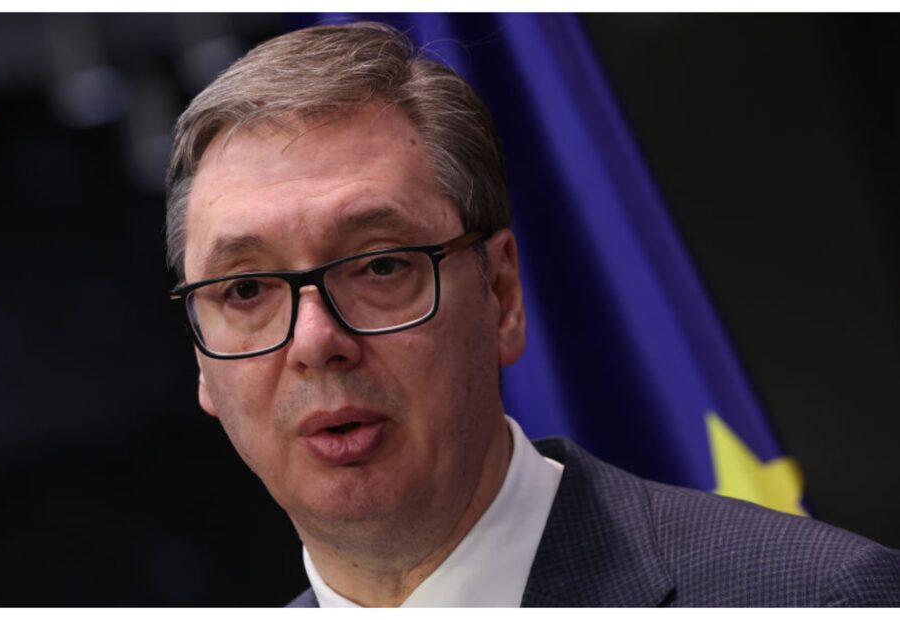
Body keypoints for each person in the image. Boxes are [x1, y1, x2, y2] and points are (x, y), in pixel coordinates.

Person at [165, 21, 900, 607]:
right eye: (245, 291)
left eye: (381, 266)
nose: (316, 340)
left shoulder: (815, 598)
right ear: (200, 359)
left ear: (503, 295)